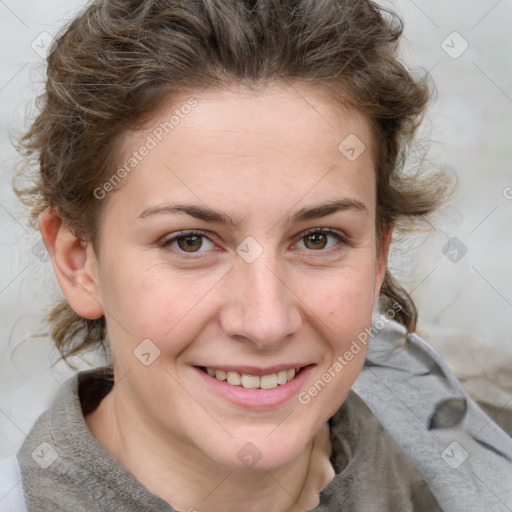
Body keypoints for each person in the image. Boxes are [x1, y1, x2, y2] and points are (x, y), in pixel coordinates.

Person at [1, 0, 511, 511]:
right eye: (190, 242)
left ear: (379, 255)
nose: (266, 323)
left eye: (318, 239)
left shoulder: (493, 422)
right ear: (78, 262)